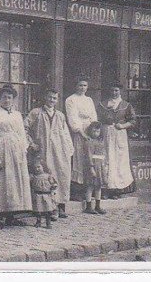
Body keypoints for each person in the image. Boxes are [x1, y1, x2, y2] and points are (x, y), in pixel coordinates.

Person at [0, 84, 32, 229]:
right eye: (4, 97)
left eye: (9, 97)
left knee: (15, 183)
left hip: (16, 152)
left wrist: (23, 151)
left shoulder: (17, 115)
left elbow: (22, 135)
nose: (7, 100)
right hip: (2, 150)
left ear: (13, 99)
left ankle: (12, 216)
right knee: (0, 182)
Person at [25, 87, 74, 219]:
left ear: (57, 100)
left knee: (60, 176)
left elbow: (65, 134)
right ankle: (47, 208)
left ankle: (60, 205)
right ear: (45, 98)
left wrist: (69, 150)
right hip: (42, 151)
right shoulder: (36, 113)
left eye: (54, 98)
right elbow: (24, 128)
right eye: (49, 97)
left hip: (58, 151)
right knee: (45, 178)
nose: (52, 100)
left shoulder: (60, 115)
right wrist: (31, 143)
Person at [98, 83, 136, 198]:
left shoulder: (126, 105)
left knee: (119, 161)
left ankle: (117, 190)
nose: (114, 93)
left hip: (119, 134)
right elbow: (98, 119)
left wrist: (123, 126)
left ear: (120, 92)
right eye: (112, 90)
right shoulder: (103, 104)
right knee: (107, 159)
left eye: (116, 91)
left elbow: (133, 121)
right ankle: (105, 189)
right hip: (106, 134)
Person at [65, 77, 98, 195]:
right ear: (76, 86)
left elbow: (93, 115)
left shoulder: (89, 100)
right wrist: (81, 132)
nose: (82, 88)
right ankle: (77, 190)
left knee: (89, 158)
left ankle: (89, 189)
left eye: (85, 85)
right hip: (78, 132)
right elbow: (72, 117)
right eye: (80, 85)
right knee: (79, 158)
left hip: (90, 130)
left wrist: (93, 130)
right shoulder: (71, 100)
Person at [83, 121, 108, 215]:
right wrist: (91, 168)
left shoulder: (100, 142)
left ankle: (98, 205)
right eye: (93, 131)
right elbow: (89, 156)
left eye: (97, 131)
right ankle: (88, 206)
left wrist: (105, 165)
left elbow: (103, 154)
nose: (96, 133)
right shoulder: (89, 142)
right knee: (90, 186)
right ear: (90, 131)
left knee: (98, 186)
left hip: (100, 166)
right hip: (93, 166)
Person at [29, 158, 57, 229]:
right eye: (35, 168)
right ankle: (38, 221)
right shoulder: (34, 177)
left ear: (43, 167)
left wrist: (53, 186)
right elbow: (30, 184)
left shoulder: (48, 176)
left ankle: (48, 222)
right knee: (38, 210)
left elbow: (53, 183)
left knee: (48, 210)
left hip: (47, 195)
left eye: (39, 167)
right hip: (37, 195)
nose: (37, 169)